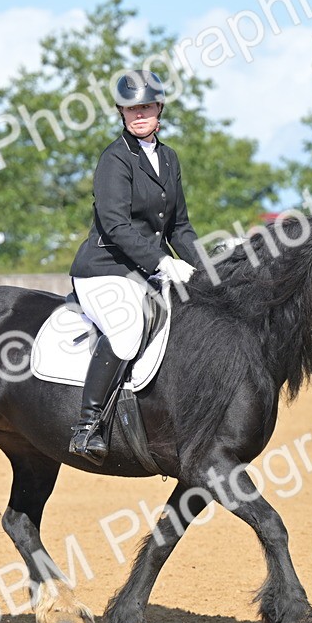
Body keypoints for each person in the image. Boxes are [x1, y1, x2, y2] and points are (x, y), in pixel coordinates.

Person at [67, 69, 200, 462]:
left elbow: (179, 226)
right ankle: (88, 426)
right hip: (104, 268)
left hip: (146, 272)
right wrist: (163, 262)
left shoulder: (169, 158)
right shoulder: (114, 159)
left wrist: (207, 267)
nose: (138, 114)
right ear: (121, 112)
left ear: (159, 108)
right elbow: (116, 225)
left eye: (146, 107)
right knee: (126, 331)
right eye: (130, 109)